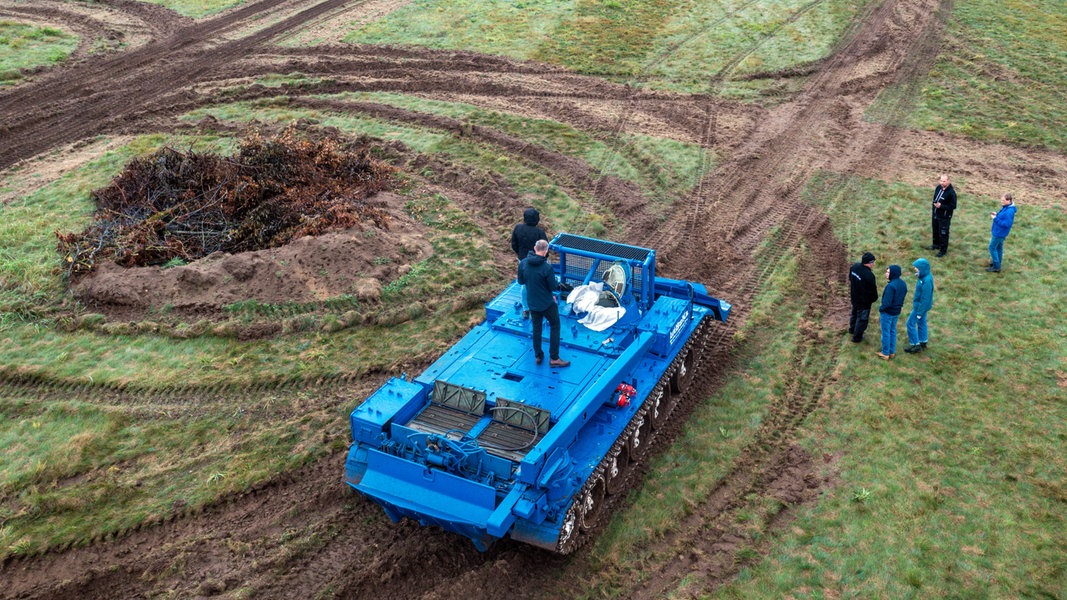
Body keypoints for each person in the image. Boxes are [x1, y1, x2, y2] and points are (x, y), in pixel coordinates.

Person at [518, 239, 569, 367]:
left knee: (536, 329)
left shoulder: (523, 263)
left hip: (532, 303)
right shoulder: (547, 268)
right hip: (547, 304)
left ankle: (538, 356)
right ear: (546, 251)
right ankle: (554, 358)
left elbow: (521, 281)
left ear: (535, 248)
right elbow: (553, 287)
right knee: (555, 326)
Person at [510, 207, 548, 318]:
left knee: (525, 285)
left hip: (523, 260)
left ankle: (526, 309)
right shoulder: (539, 232)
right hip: (539, 262)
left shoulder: (518, 228)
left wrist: (521, 255)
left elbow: (514, 244)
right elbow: (545, 248)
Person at [904, 258, 935, 353]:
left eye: (916, 268)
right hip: (921, 306)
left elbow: (925, 299)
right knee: (922, 323)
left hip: (920, 307)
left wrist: (919, 313)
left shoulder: (927, 281)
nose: (915, 269)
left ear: (922, 268)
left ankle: (915, 344)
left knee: (910, 323)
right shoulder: (924, 277)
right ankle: (923, 341)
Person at [877, 264, 907, 360]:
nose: (886, 273)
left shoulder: (890, 286)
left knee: (886, 332)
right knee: (892, 331)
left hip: (887, 313)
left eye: (888, 272)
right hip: (896, 312)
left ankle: (885, 353)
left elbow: (886, 303)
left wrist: (881, 309)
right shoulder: (903, 284)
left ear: (893, 273)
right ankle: (891, 352)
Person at [848, 252, 879, 343]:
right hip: (864, 302)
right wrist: (873, 299)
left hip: (854, 297)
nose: (874, 264)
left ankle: (852, 329)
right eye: (873, 262)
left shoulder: (854, 267)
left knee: (854, 314)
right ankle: (857, 338)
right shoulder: (869, 275)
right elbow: (873, 290)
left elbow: (850, 278)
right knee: (862, 319)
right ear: (869, 263)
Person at [987, 193, 1017, 273]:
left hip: (999, 233)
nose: (1002, 202)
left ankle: (996, 267)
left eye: (1003, 200)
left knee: (991, 247)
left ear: (1009, 200)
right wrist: (997, 214)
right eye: (1001, 200)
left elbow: (1006, 224)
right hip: (1000, 232)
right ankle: (997, 264)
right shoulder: (1007, 207)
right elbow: (1003, 218)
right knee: (999, 248)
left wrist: (995, 218)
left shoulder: (1009, 211)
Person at [930, 174, 957, 257]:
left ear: (948, 181)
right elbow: (935, 197)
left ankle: (943, 250)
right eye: (941, 180)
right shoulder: (938, 188)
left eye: (944, 181)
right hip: (935, 213)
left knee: (943, 233)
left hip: (944, 217)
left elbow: (953, 206)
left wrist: (941, 206)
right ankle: (936, 245)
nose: (942, 182)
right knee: (935, 230)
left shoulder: (951, 193)